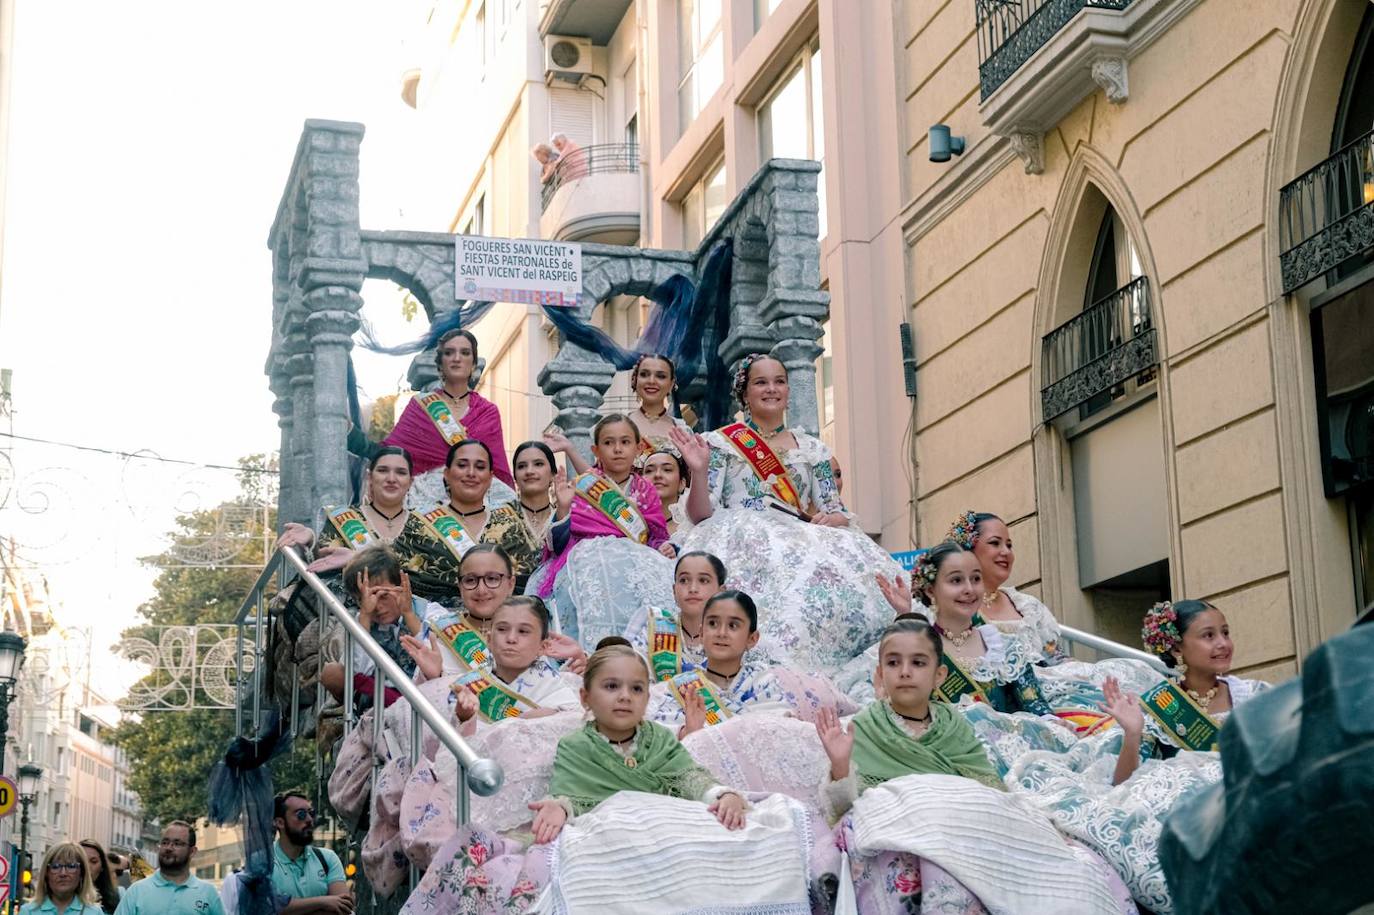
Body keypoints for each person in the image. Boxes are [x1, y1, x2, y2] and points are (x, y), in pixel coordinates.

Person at [811, 616, 1135, 915]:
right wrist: (840, 765)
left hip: (963, 825)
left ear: (939, 675)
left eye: (918, 662)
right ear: (880, 673)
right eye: (893, 663)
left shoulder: (953, 723)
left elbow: (987, 789)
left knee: (1073, 864)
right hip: (906, 832)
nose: (905, 671)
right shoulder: (866, 725)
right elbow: (848, 810)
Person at [1008, 600, 1271, 914]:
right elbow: (1125, 784)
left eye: (1225, 633)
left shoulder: (1255, 696)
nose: (1223, 643)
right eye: (1208, 635)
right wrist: (1133, 732)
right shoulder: (1160, 705)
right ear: (1176, 648)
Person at [671, 354, 902, 673]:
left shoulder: (813, 449)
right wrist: (698, 471)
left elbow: (835, 510)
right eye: (761, 382)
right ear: (744, 392)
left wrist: (830, 519)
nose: (771, 389)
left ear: (788, 390)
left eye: (779, 381)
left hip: (799, 540)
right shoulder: (720, 444)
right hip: (738, 540)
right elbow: (700, 514)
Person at [528, 638, 749, 843]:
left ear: (647, 699)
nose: (625, 696)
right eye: (611, 686)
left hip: (667, 832)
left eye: (636, 689)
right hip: (607, 839)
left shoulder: (661, 739)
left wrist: (722, 795)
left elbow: (689, 778)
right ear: (586, 698)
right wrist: (560, 808)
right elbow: (569, 796)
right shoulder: (574, 746)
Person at [533, 414, 672, 646]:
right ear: (595, 450)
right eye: (608, 443)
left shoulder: (646, 490)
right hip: (584, 561)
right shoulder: (582, 486)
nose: (617, 449)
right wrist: (564, 508)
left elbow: (655, 536)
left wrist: (664, 547)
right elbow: (558, 543)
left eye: (625, 442)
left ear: (638, 448)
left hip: (636, 565)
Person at [276, 446, 463, 608]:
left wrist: (360, 560)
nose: (391, 478)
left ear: (410, 482)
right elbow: (324, 567)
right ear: (370, 477)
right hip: (354, 623)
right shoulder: (345, 519)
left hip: (419, 620)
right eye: (382, 470)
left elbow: (443, 580)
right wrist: (311, 541)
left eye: (400, 472)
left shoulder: (429, 523)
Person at [349, 329, 515, 508]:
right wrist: (351, 435)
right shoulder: (420, 406)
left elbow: (497, 469)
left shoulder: (487, 412)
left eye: (465, 353)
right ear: (440, 363)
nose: (457, 358)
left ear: (473, 363)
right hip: (427, 503)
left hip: (476, 500)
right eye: (449, 353)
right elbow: (390, 453)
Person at [646, 589, 786, 735]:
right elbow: (655, 738)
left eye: (733, 625)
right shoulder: (677, 690)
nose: (721, 633)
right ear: (701, 633)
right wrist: (686, 732)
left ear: (752, 639)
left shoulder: (767, 685)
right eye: (713, 623)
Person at [429, 439, 541, 592]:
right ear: (447, 474)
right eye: (462, 465)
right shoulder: (419, 525)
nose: (471, 473)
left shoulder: (510, 523)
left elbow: (528, 586)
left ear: (490, 478)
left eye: (480, 467)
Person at [319, 546, 423, 711]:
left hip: (422, 693)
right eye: (366, 599)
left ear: (400, 586)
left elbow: (439, 664)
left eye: (384, 595)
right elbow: (355, 672)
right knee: (332, 673)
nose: (378, 607)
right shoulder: (364, 617)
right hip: (382, 692)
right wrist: (365, 617)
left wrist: (408, 614)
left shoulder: (428, 612)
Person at [113, 822, 224, 915]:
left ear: (192, 851)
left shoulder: (208, 893)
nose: (169, 848)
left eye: (177, 843)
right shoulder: (136, 891)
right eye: (165, 843)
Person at [269, 792, 352, 913]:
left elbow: (343, 907)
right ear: (280, 822)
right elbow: (269, 907)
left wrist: (292, 909)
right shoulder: (263, 863)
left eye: (311, 813)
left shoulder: (327, 858)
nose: (309, 819)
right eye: (301, 814)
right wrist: (323, 902)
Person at [509, 440, 573, 562]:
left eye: (538, 464)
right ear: (515, 477)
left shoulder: (564, 517)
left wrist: (563, 508)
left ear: (553, 474)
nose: (529, 471)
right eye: (521, 466)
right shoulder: (499, 518)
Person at [626, 354, 691, 462]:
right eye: (644, 374)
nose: (651, 381)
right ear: (635, 380)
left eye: (661, 376)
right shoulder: (618, 425)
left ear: (671, 384)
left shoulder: (683, 431)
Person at [23, 842, 102, 914]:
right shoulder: (29, 911)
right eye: (56, 866)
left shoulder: (94, 912)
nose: (63, 873)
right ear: (46, 873)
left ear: (82, 872)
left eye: (71, 866)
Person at [642, 448, 690, 541]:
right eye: (649, 471)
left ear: (682, 483)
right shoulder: (631, 520)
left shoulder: (693, 524)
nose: (657, 475)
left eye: (667, 470)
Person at [78, 840, 121, 913]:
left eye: (93, 861)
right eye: (82, 861)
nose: (87, 866)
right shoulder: (63, 899)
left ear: (102, 866)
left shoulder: (115, 898)